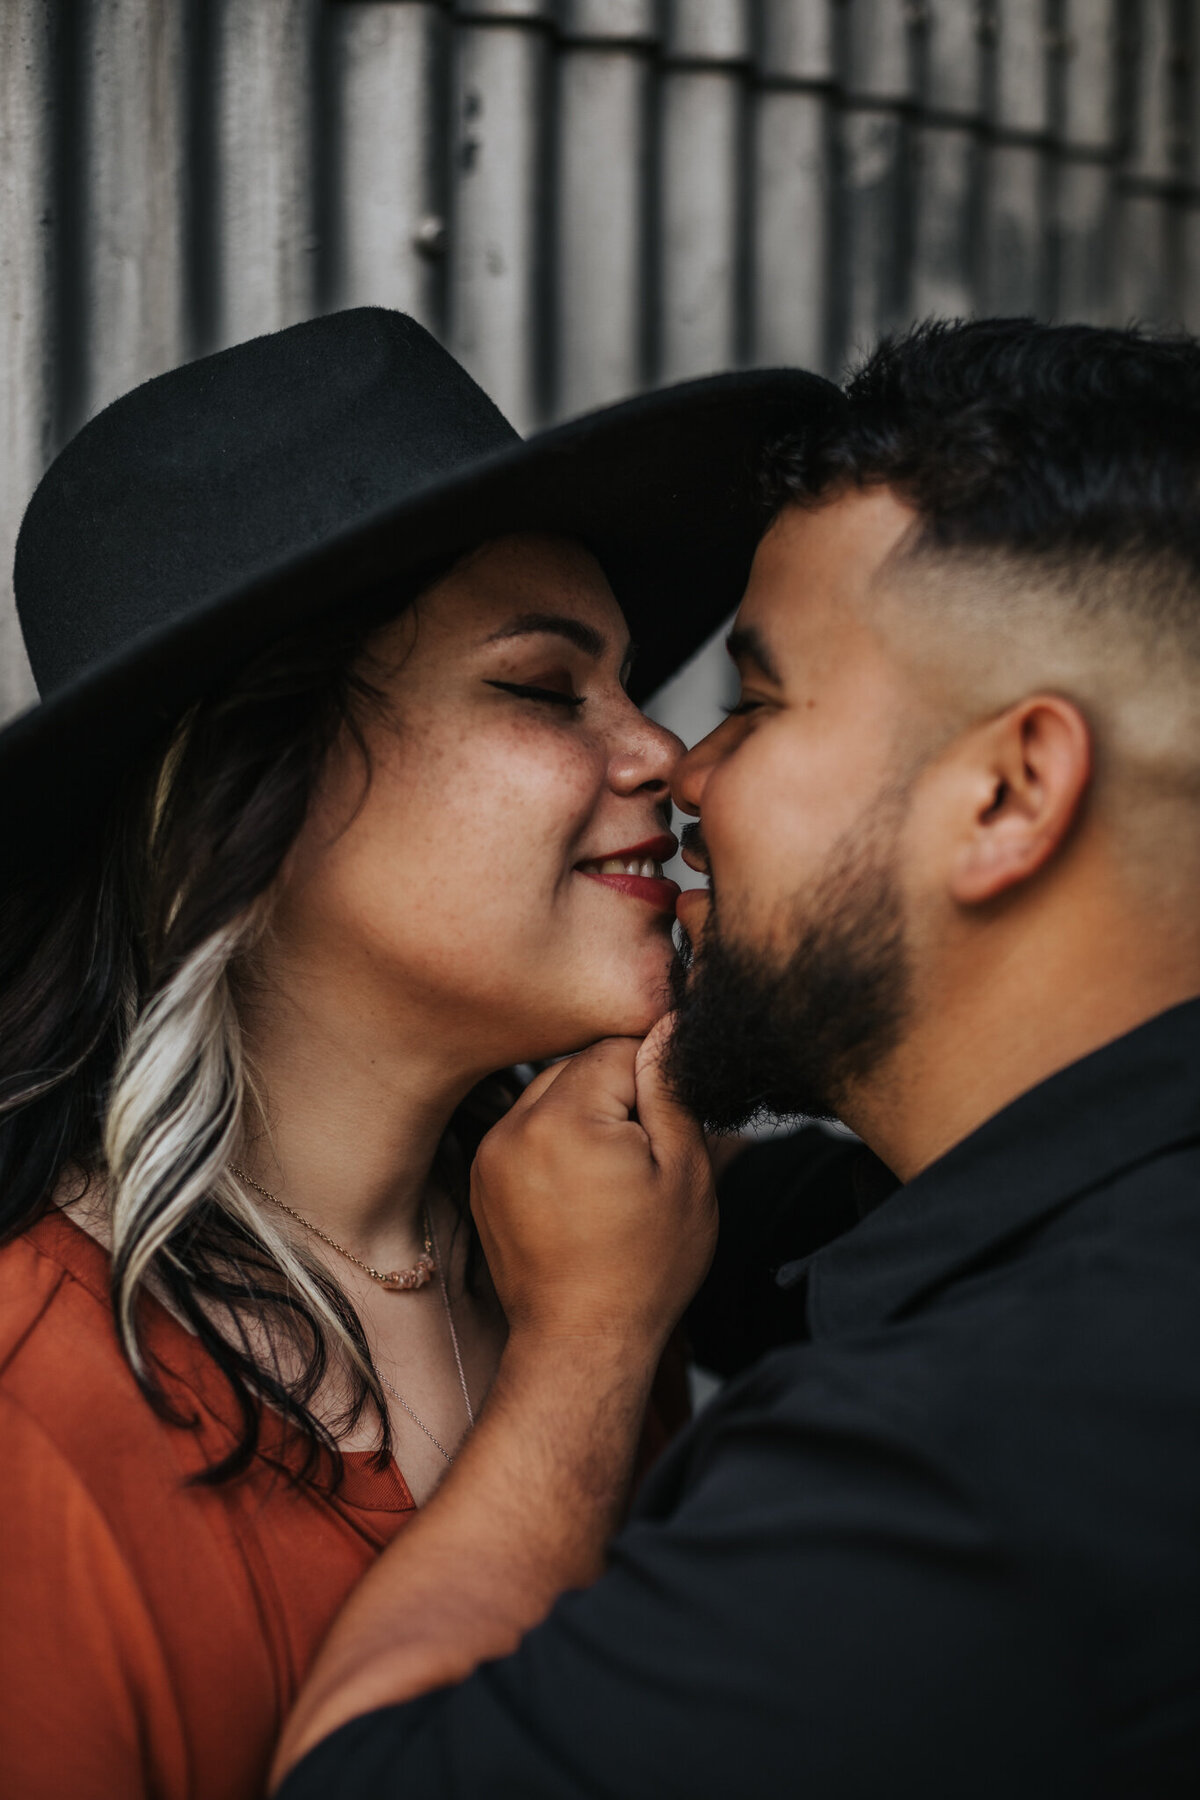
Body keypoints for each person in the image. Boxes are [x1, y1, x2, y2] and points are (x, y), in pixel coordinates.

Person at [274, 318, 1200, 1800]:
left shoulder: (994, 1450)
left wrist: (582, 1350)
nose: (678, 767)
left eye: (755, 704)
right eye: (543, 691)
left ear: (1011, 794)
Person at [0, 307, 836, 1800]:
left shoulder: (601, 1243)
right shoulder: (29, 1425)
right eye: (540, 687)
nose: (661, 755)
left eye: (630, 685)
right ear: (248, 797)